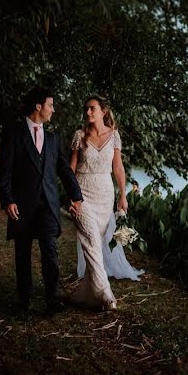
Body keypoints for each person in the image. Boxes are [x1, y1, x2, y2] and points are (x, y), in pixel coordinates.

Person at [0, 86, 83, 314]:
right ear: (38, 106)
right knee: (22, 253)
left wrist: (76, 196)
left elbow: (64, 170)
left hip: (48, 204)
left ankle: (52, 298)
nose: (53, 109)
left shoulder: (53, 138)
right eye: (50, 105)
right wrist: (8, 200)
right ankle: (24, 299)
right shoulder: (14, 133)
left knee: (50, 250)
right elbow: (4, 171)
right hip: (21, 205)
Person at [69, 95, 142, 311]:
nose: (88, 112)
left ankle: (90, 294)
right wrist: (71, 196)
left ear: (103, 111)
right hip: (82, 194)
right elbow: (70, 169)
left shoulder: (114, 136)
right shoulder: (79, 136)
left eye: (92, 108)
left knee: (96, 244)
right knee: (90, 239)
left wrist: (123, 195)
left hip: (105, 195)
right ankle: (106, 294)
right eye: (86, 109)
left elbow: (118, 167)